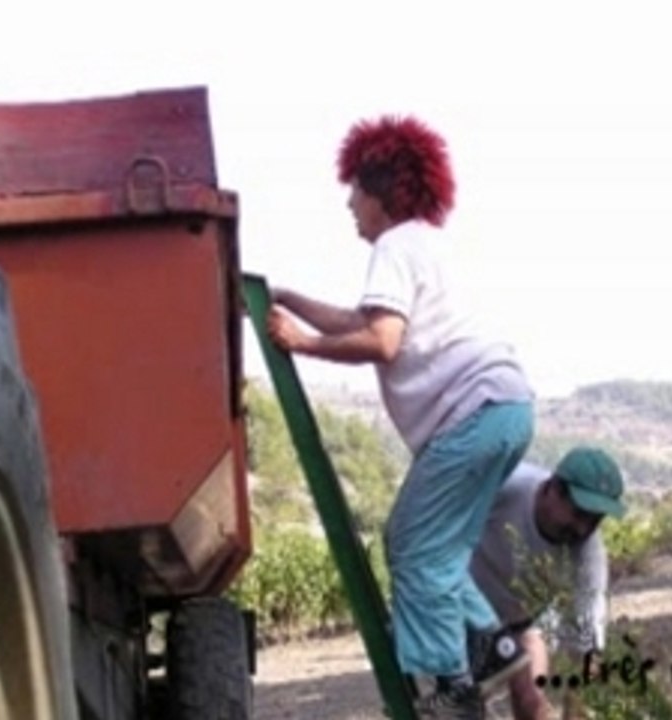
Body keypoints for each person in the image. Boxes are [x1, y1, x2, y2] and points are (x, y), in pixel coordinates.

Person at [266, 115, 535, 719]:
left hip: (473, 414)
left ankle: (453, 684)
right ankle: (494, 645)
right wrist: (288, 299)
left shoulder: (395, 245)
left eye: (355, 190)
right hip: (508, 410)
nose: (349, 204)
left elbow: (381, 340)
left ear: (381, 192)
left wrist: (302, 344)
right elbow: (362, 320)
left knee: (411, 545)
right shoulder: (426, 244)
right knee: (441, 551)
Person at [469, 446, 627, 720]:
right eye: (578, 514)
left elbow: (586, 643)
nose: (582, 529)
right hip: (459, 605)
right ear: (552, 489)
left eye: (595, 521)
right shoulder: (506, 486)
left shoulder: (588, 555)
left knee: (531, 702)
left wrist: (583, 706)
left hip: (520, 623)